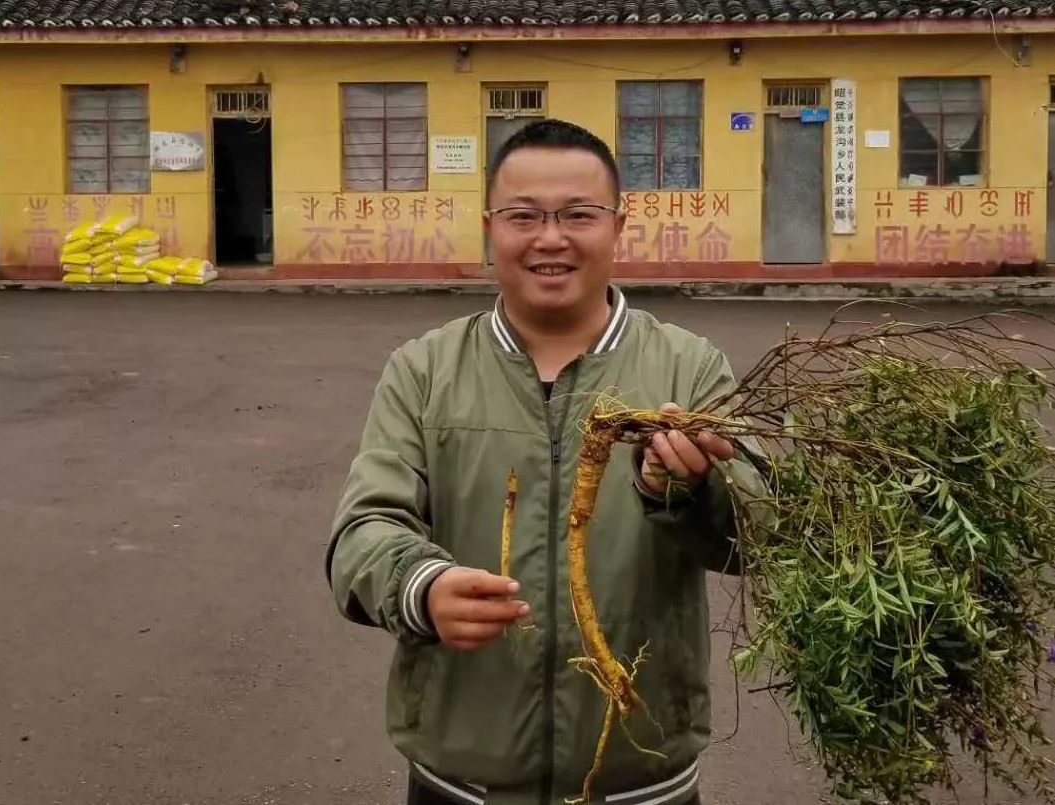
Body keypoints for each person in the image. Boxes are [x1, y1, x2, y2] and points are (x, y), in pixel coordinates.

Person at [325, 119, 769, 805]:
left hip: (641, 777)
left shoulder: (688, 367)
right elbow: (363, 530)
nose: (550, 238)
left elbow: (758, 530)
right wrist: (420, 584)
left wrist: (684, 487)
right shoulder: (426, 370)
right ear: (489, 227)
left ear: (618, 224)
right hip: (462, 780)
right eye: (523, 216)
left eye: (577, 215)